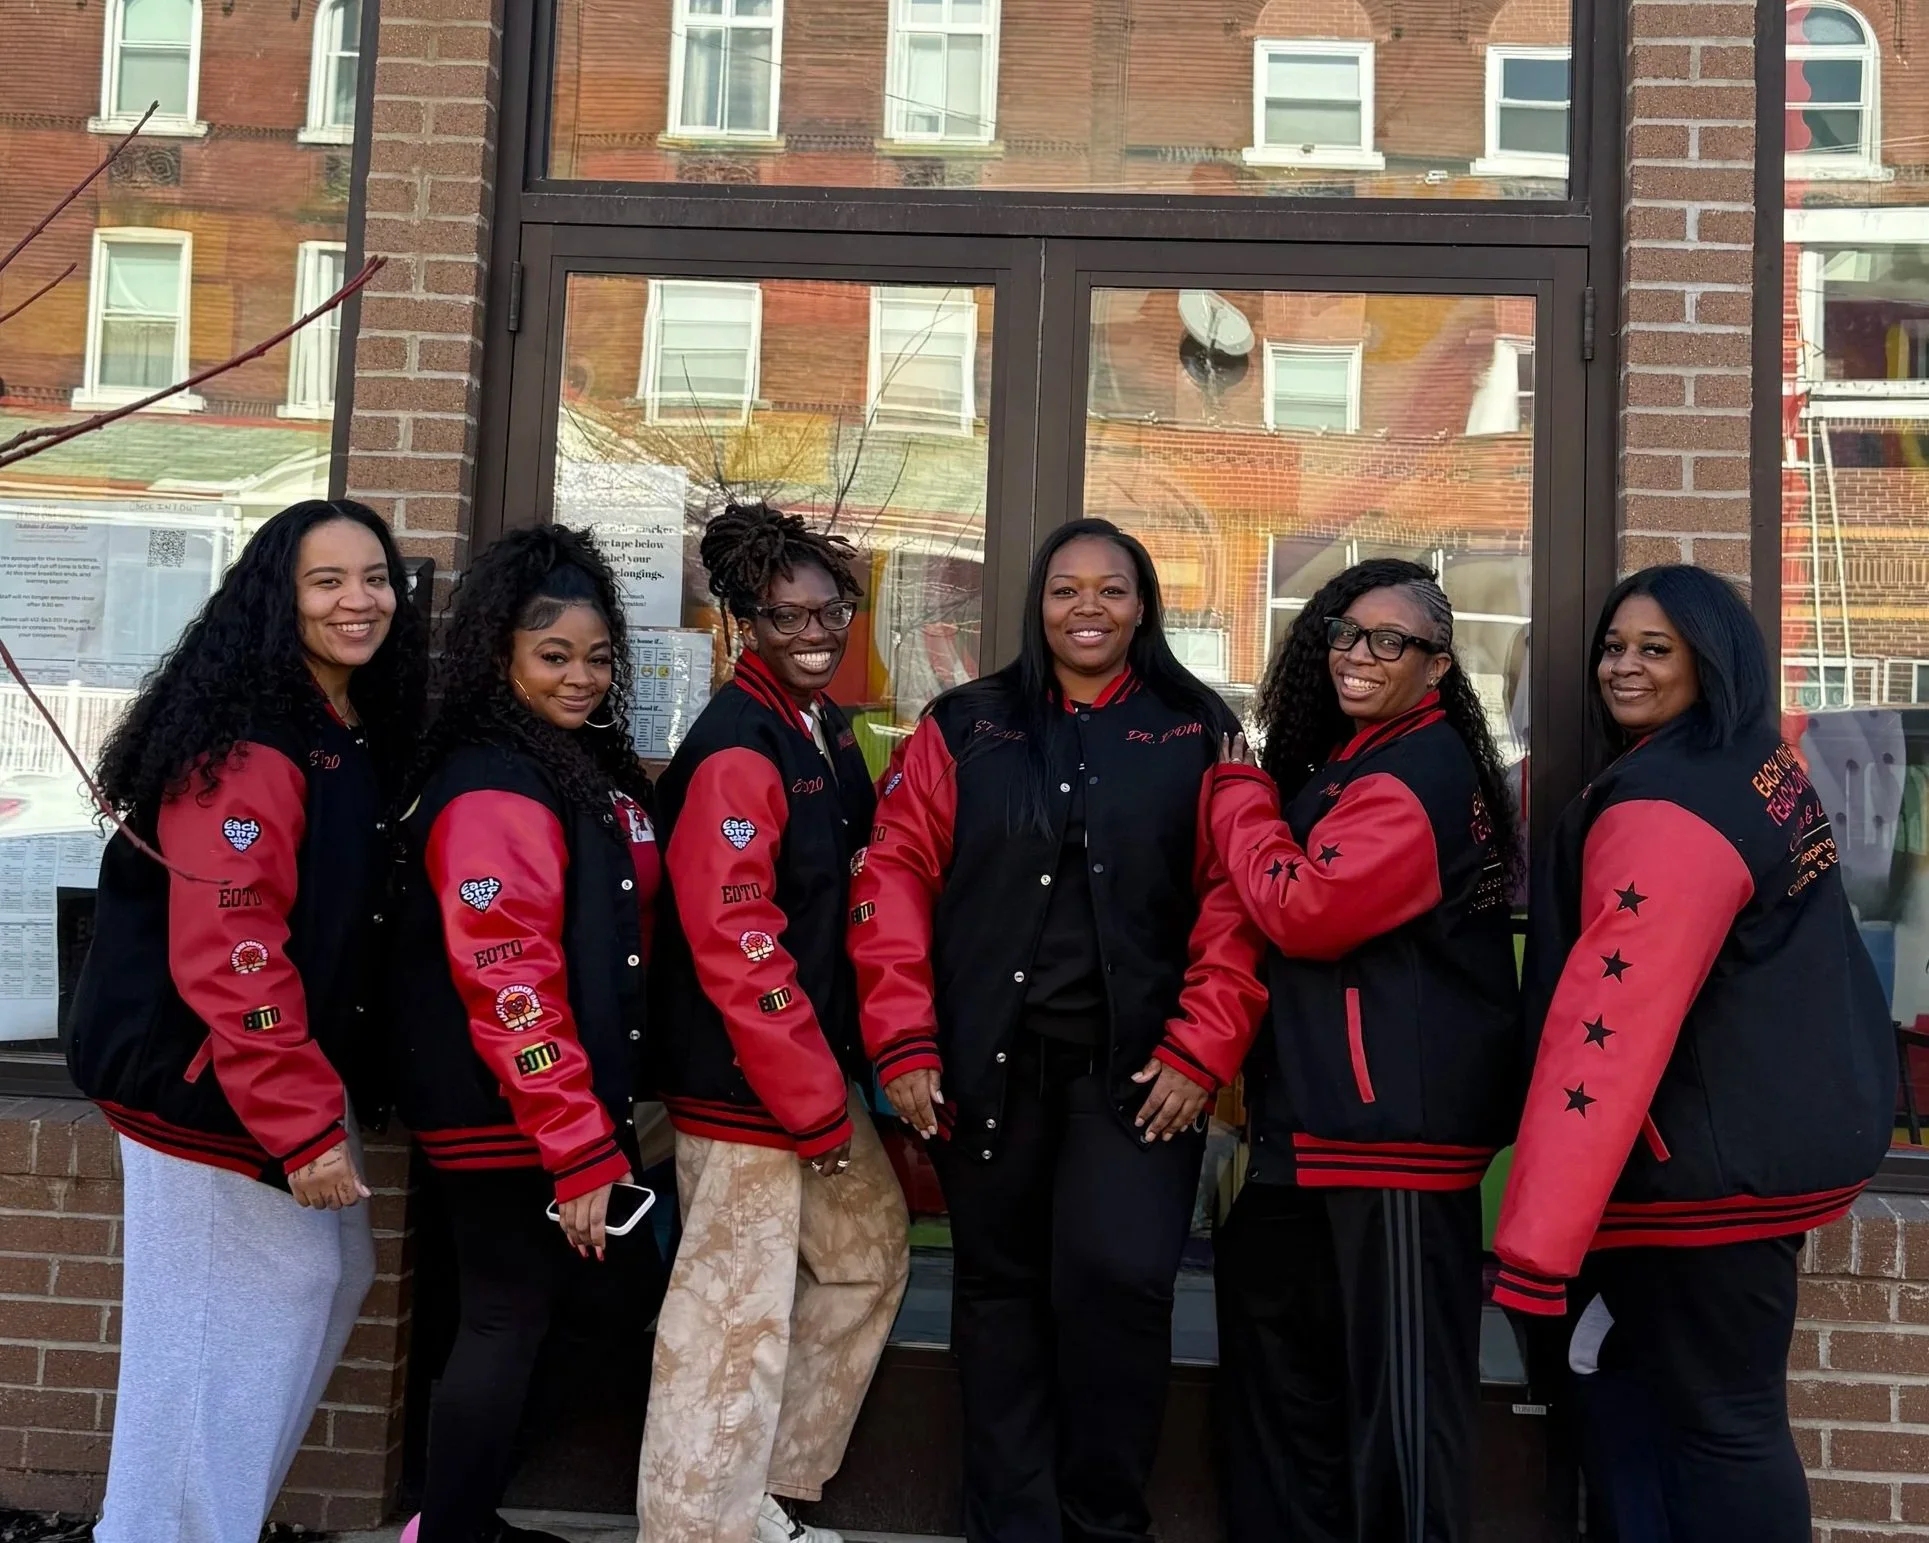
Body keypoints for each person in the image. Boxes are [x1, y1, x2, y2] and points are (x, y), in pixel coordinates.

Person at [849, 517, 1267, 1543]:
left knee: (1118, 1289)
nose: (1089, 609)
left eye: (1112, 590)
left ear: (1145, 605)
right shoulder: (967, 725)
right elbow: (894, 878)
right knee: (1001, 1302)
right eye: (1065, 589)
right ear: (1036, 603)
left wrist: (1200, 1048)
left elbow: (1235, 904)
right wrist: (903, 1041)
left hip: (1140, 1079)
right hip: (988, 1076)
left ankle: (1103, 1525)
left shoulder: (1196, 726)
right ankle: (1010, 1525)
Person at [1493, 565, 1895, 1543]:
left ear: (1711, 662)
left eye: (1655, 650)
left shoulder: (1665, 805)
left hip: (1699, 1183)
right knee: (1693, 1413)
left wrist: (1536, 1249)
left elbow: (1611, 1025)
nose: (1622, 667)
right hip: (1756, 1156)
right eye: (1614, 646)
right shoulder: (1753, 766)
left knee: (1723, 1428)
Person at [65, 499, 426, 1543]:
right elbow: (233, 949)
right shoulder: (249, 746)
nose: (360, 601)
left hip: (278, 1075)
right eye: (328, 582)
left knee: (326, 1273)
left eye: (375, 577)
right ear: (280, 596)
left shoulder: (338, 728)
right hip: (205, 1082)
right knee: (216, 1333)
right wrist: (303, 1124)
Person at [1209, 557, 1523, 1543]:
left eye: (1391, 640)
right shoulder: (1366, 757)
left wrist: (1238, 794)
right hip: (1320, 1133)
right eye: (1347, 632)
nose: (1359, 653)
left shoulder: (1417, 772)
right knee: (1295, 1394)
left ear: (1437, 667)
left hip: (1390, 1141)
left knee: (1401, 1413)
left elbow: (1307, 910)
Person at [640, 503, 909, 1543]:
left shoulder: (820, 729)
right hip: (744, 1086)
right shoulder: (737, 748)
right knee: (727, 1323)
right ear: (745, 620)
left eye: (830, 609)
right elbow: (736, 938)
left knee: (868, 1252)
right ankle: (693, 1529)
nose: (814, 630)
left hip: (809, 1073)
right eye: (787, 614)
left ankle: (758, 1496)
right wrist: (812, 1100)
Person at [389, 526, 660, 1543]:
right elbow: (508, 978)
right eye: (555, 656)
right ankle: (451, 1531)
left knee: (597, 1295)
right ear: (500, 652)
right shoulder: (496, 781)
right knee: (511, 1310)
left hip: (552, 1103)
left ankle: (453, 1519)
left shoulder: (565, 761)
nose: (582, 677)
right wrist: (580, 1144)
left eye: (597, 657)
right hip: (506, 1107)